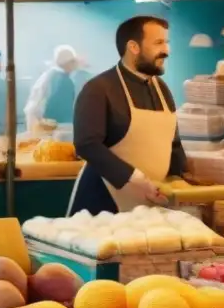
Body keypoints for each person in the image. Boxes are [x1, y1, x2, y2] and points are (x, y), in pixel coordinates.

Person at [71, 16, 189, 215]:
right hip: (104, 203)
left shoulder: (162, 89)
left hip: (153, 201)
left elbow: (173, 143)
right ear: (133, 47)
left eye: (166, 43)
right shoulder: (98, 89)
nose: (166, 51)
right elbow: (87, 144)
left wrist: (179, 179)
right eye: (159, 43)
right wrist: (134, 180)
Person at [24, 45, 79, 132]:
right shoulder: (63, 80)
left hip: (39, 123)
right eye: (73, 62)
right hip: (52, 127)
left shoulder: (50, 75)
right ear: (67, 62)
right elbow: (61, 109)